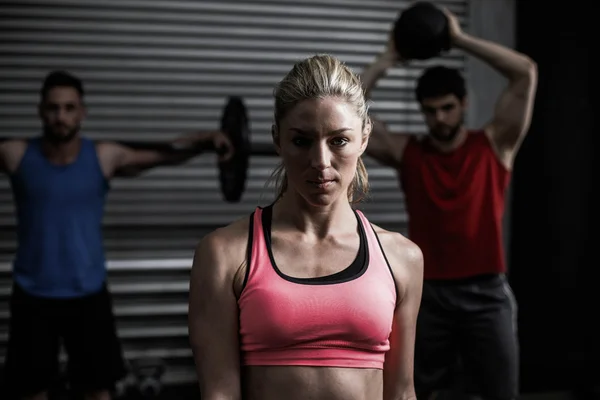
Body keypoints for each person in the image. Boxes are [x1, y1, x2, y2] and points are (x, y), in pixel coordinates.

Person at [188, 54, 424, 400]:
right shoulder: (226, 254)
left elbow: (402, 392)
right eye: (301, 141)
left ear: (364, 138)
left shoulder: (402, 258)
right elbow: (219, 393)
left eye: (339, 140)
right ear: (277, 140)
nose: (320, 162)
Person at [0, 70, 234, 400]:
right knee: (30, 392)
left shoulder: (103, 156)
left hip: (87, 294)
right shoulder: (16, 154)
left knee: (97, 391)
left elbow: (164, 153)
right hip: (33, 295)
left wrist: (206, 141)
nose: (60, 117)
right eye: (53, 108)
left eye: (69, 108)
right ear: (40, 110)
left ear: (82, 112)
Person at [360, 6, 538, 400]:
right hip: (429, 296)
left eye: (447, 108)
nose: (439, 118)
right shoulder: (410, 153)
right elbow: (350, 114)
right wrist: (388, 58)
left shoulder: (495, 146)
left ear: (463, 103)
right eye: (430, 111)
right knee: (420, 392)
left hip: (486, 294)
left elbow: (525, 70)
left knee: (500, 392)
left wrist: (458, 39)